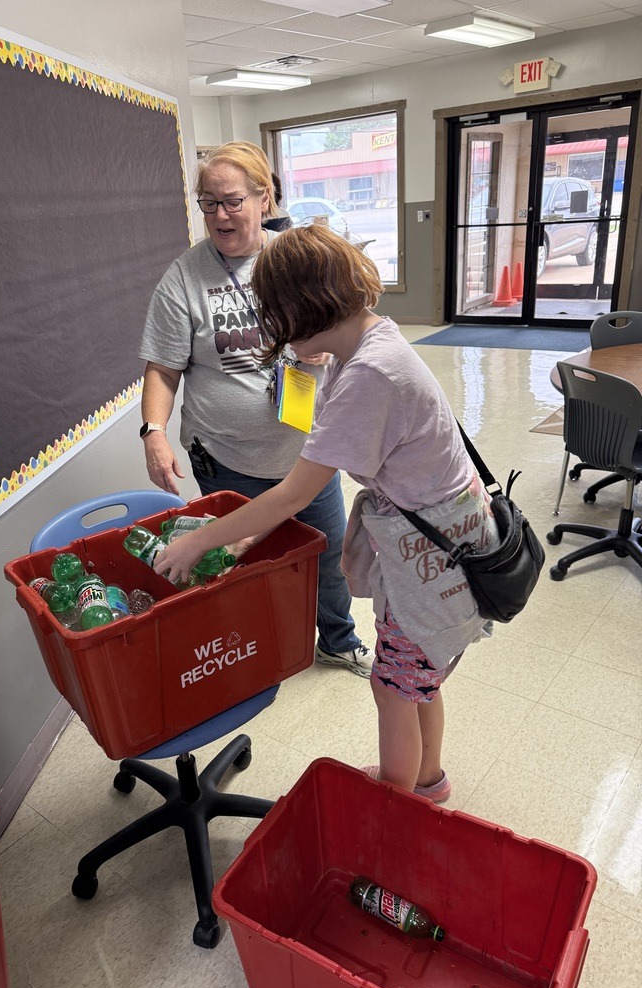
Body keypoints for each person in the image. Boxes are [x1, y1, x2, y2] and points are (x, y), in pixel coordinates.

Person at [153, 225, 497, 803]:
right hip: (443, 540)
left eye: (274, 312)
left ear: (299, 307)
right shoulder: (366, 344)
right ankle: (427, 781)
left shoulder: (369, 374)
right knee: (418, 680)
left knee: (393, 690)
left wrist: (199, 541)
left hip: (432, 559)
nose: (270, 327)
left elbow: (294, 492)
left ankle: (396, 802)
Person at [138, 142, 371, 677]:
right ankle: (263, 647)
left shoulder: (296, 260)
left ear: (264, 198)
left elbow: (356, 328)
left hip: (307, 451)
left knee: (327, 554)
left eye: (232, 200)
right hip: (229, 458)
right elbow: (163, 368)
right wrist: (154, 431)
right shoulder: (184, 278)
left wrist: (328, 344)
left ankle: (337, 640)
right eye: (208, 203)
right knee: (244, 562)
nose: (220, 215)